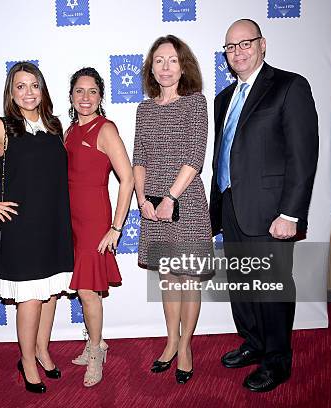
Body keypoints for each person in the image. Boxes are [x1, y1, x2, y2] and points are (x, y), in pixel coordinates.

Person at [210, 19, 318, 392]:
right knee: (241, 286)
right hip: (232, 209)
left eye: (245, 43)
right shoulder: (223, 98)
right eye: (230, 47)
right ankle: (254, 344)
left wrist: (291, 213)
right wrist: (216, 211)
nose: (237, 51)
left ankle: (277, 361)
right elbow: (224, 156)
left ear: (263, 44)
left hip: (272, 213)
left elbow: (303, 155)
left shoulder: (289, 87)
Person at [0, 62, 73, 394]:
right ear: (11, 92)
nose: (29, 92)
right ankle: (28, 362)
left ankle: (42, 350)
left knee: (50, 293)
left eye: (34, 85)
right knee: (31, 299)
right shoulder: (2, 127)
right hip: (21, 228)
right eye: (20, 86)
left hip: (54, 224)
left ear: (43, 89)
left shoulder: (54, 125)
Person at [133, 35, 212, 384]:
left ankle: (185, 347)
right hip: (152, 204)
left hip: (186, 202)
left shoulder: (196, 103)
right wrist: (141, 200)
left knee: (188, 276)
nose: (166, 67)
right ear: (152, 67)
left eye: (173, 60)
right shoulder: (144, 109)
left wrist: (170, 198)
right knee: (168, 277)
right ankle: (169, 341)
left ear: (184, 66)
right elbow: (139, 159)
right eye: (159, 61)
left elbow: (195, 156)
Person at [64, 67, 134, 387]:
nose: (86, 98)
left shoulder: (105, 129)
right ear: (71, 96)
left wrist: (116, 227)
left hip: (94, 220)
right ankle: (95, 342)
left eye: (92, 91)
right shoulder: (69, 130)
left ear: (101, 96)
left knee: (89, 292)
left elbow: (128, 178)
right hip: (72, 221)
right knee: (82, 289)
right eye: (80, 91)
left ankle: (96, 351)